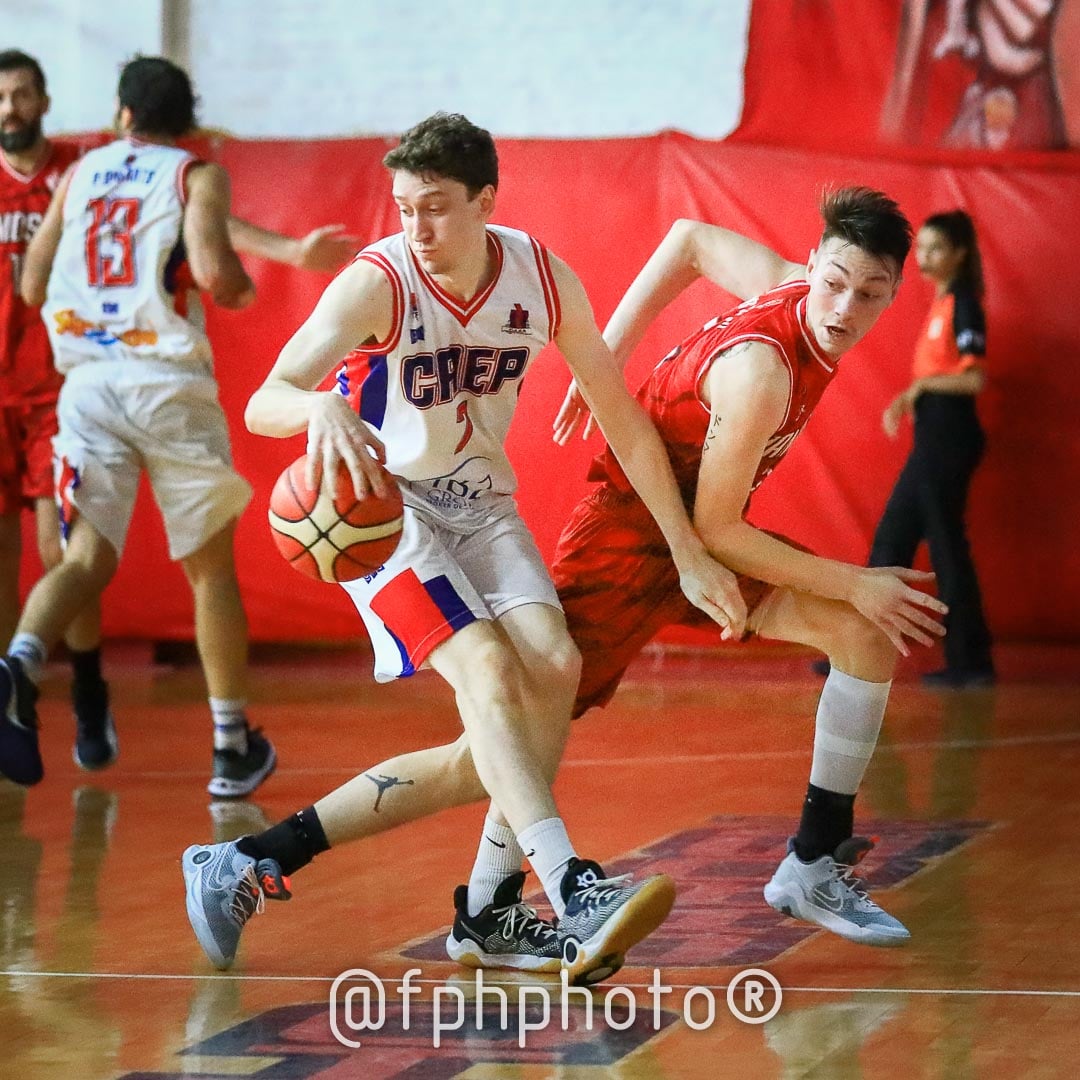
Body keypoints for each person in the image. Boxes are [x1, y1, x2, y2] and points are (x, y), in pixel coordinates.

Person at [179, 111, 747, 985]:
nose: (416, 227)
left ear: (486, 199)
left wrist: (686, 550)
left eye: (436, 208)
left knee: (552, 668)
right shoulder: (379, 282)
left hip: (481, 505)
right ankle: (569, 886)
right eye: (404, 207)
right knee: (488, 674)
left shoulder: (542, 279)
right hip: (381, 513)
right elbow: (266, 398)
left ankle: (461, 903)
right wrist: (316, 406)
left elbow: (621, 418)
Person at [548, 188, 949, 947]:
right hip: (632, 539)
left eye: (870, 294)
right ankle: (483, 896)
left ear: (894, 294)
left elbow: (690, 239)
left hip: (703, 542)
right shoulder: (763, 370)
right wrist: (859, 578)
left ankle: (814, 858)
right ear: (811, 265)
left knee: (864, 635)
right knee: (530, 719)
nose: (843, 308)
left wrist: (608, 352)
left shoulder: (793, 293)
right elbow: (718, 529)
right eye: (833, 282)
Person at [0, 56, 357, 795]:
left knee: (82, 561)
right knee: (207, 569)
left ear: (122, 114)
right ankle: (231, 747)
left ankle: (19, 664)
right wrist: (242, 288)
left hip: (86, 388)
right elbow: (217, 273)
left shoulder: (79, 174)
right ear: (187, 122)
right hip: (164, 385)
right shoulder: (195, 174)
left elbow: (31, 283)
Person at [869, 210, 994, 689]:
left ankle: (971, 661)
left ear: (959, 253)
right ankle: (861, 646)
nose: (924, 257)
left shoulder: (964, 303)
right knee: (893, 537)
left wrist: (915, 391)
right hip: (933, 437)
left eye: (935, 248)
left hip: (949, 436)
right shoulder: (943, 303)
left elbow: (974, 377)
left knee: (945, 544)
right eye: (920, 248)